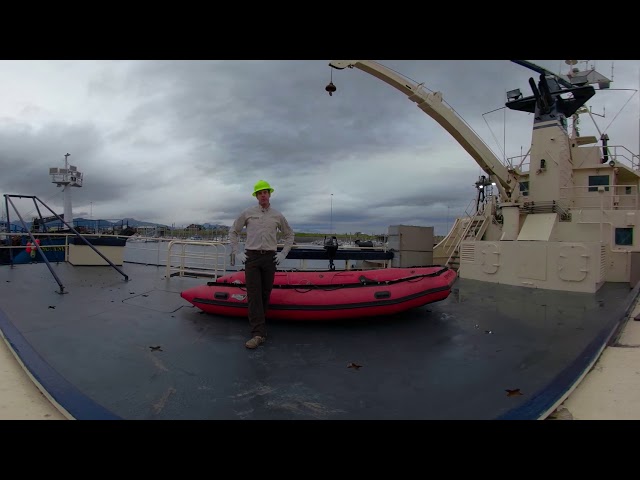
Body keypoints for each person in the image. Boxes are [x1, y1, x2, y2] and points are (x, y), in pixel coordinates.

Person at [229, 180, 295, 349]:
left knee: (265, 293)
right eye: (260, 193)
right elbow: (234, 231)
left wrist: (283, 253)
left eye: (265, 192)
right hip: (251, 258)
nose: (263, 195)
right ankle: (258, 333)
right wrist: (237, 251)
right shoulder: (248, 213)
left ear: (269, 194)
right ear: (256, 196)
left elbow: (289, 235)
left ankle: (260, 324)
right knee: (253, 294)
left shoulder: (277, 215)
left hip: (270, 259)